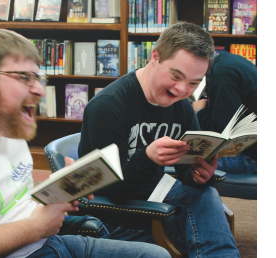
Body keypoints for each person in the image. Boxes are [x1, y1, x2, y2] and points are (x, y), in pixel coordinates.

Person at [0, 28, 171, 258]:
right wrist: (36, 227)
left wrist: (57, 189)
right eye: (24, 77)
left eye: (38, 78)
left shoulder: (10, 127)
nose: (39, 89)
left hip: (48, 240)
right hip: (26, 248)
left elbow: (13, 200)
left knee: (157, 255)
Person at [78, 22, 240, 257]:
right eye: (176, 76)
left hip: (156, 198)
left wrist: (199, 175)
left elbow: (185, 172)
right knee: (205, 223)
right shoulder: (108, 106)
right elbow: (113, 191)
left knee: (205, 194)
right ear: (155, 56)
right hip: (114, 214)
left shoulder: (182, 107)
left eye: (194, 83)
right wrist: (149, 158)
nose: (183, 89)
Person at [192, 51, 257, 175]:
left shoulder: (221, 74)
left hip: (251, 158)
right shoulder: (227, 60)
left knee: (182, 161)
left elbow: (224, 134)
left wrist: (199, 111)